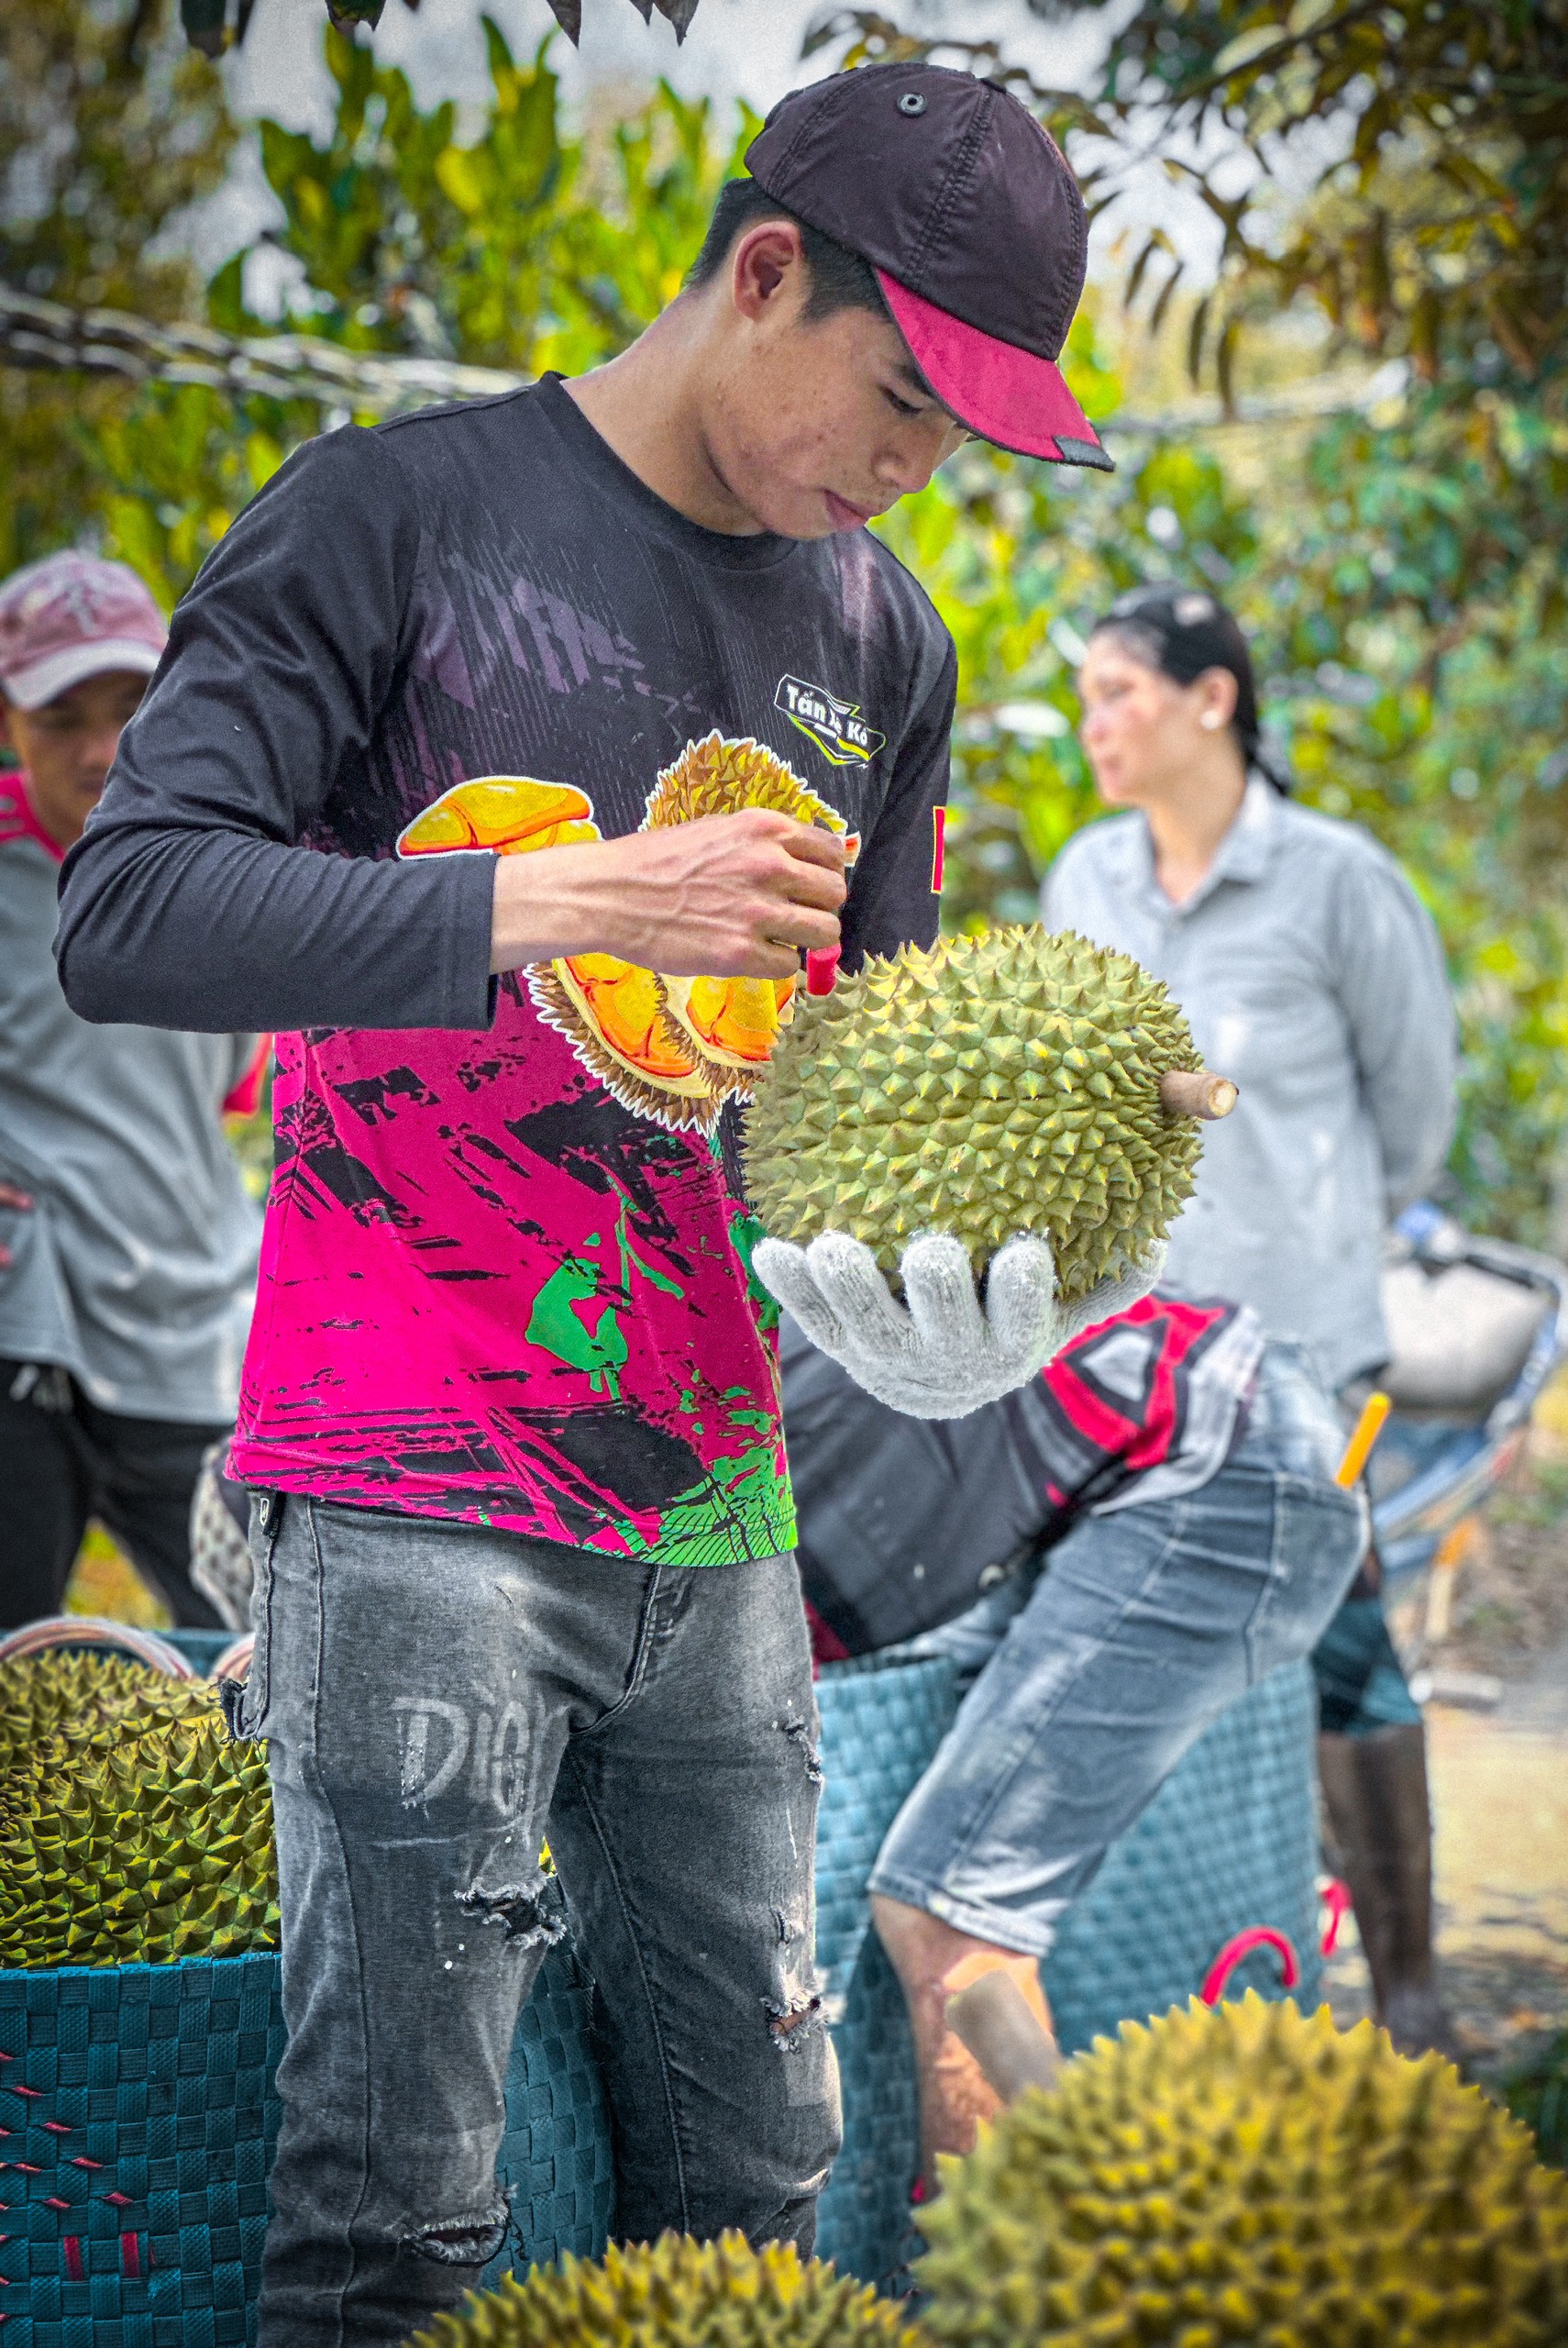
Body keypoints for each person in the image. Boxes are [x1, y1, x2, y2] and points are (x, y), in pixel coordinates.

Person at [55, 65, 1115, 2348]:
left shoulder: (881, 637)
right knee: (395, 2212)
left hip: (718, 1513)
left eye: (959, 446)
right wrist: (562, 893)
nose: (913, 476)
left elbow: (855, 1088)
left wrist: (955, 1273)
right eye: (904, 401)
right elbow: (130, 909)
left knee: (756, 2168)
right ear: (762, 274)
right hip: (407, 1476)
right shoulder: (392, 516)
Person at [1041, 582, 1463, 2057]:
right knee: (1152, 1639)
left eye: (1120, 693)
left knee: (1340, 1634)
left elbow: (1414, 1114)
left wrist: (1320, 1233)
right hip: (1126, 1346)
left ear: (1212, 699)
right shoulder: (1086, 880)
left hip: (1300, 1345)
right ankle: (1203, 1971)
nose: (1096, 723)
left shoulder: (1339, 882)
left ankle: (1406, 1987)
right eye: (1087, 698)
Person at [780, 1290, 1365, 2175]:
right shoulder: (705, 1369)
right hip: (1203, 1420)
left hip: (1218, 1454)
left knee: (947, 1915)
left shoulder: (704, 1504)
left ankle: (1020, 2288)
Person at [0, 550, 264, 1632]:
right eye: (61, 716)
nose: (100, 750)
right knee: (17, 1659)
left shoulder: (228, 863)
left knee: (272, 1652)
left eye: (128, 706)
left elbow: (236, 1090)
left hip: (190, 1321)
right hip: (30, 1322)